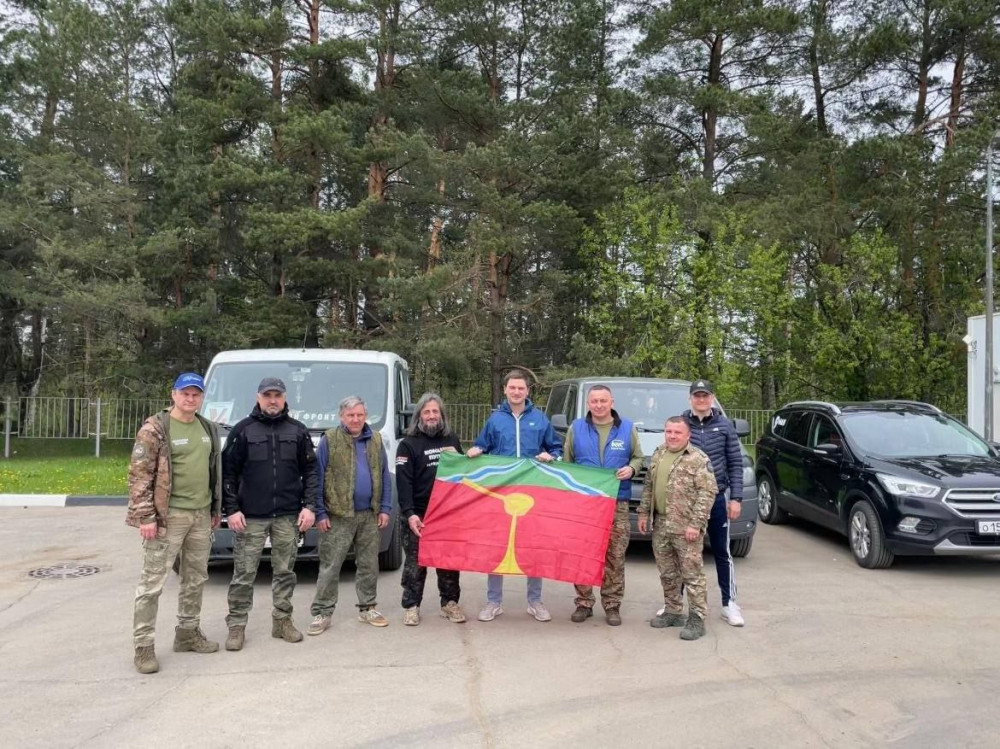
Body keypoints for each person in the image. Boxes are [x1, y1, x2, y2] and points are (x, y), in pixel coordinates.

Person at [126, 372, 222, 674]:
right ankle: (143, 647)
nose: (190, 398)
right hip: (168, 518)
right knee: (152, 584)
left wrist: (215, 508)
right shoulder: (156, 428)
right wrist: (146, 516)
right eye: (185, 393)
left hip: (201, 515)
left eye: (196, 394)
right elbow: (139, 474)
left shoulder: (207, 427)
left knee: (196, 578)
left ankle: (187, 633)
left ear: (202, 397)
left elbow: (213, 470)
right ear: (174, 394)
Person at [221, 377, 318, 651]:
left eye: (277, 395)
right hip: (250, 516)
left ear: (285, 398)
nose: (272, 400)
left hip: (288, 515)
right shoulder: (243, 430)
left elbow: (311, 471)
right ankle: (237, 625)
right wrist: (232, 509)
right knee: (243, 574)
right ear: (258, 397)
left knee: (285, 572)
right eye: (267, 396)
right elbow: (228, 473)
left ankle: (282, 621)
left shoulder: (297, 431)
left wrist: (309, 506)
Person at [466, 369, 562, 622]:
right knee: (496, 545)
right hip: (502, 492)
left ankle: (535, 601)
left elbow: (556, 448)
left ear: (527, 391)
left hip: (532, 492)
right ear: (505, 390)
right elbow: (482, 445)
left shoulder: (540, 419)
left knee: (533, 545)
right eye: (512, 388)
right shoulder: (495, 420)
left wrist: (552, 456)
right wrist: (476, 450)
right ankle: (494, 601)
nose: (516, 392)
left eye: (521, 388)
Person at [308, 396, 391, 633]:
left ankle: (367, 608)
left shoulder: (375, 439)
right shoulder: (330, 439)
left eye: (360, 415)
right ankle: (322, 613)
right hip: (337, 516)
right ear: (341, 416)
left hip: (369, 515)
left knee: (369, 565)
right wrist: (320, 513)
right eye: (351, 415)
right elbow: (318, 476)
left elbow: (384, 475)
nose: (355, 419)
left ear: (366, 416)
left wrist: (385, 508)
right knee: (330, 567)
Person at [563, 385, 643, 626]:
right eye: (594, 401)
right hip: (585, 504)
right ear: (588, 403)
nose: (598, 405)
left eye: (603, 401)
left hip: (616, 502)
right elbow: (568, 463)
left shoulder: (627, 428)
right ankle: (584, 603)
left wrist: (632, 469)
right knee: (583, 553)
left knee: (615, 556)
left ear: (612, 402)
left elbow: (638, 457)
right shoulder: (576, 428)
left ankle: (612, 605)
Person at [638, 416, 718, 641]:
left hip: (686, 527)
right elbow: (649, 485)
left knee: (692, 574)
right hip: (661, 523)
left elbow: (707, 493)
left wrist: (695, 524)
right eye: (669, 431)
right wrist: (643, 513)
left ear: (688, 435)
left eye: (677, 432)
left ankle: (697, 619)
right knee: (667, 572)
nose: (672, 436)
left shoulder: (698, 459)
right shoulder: (659, 453)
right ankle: (673, 611)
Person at [396, 393, 466, 626]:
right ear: (419, 416)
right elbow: (403, 483)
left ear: (442, 415)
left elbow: (463, 475)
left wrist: (465, 458)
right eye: (427, 412)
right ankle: (411, 606)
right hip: (418, 514)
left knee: (448, 562)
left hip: (446, 514)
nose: (432, 416)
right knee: (415, 564)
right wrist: (410, 514)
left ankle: (449, 603)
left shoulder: (452, 440)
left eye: (435, 411)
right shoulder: (407, 444)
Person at [684, 379, 746, 627]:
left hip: (717, 497)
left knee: (722, 551)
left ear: (712, 398)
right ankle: (674, 603)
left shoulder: (724, 425)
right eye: (697, 396)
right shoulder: (682, 423)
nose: (701, 400)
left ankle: (729, 604)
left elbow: (736, 463)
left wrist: (736, 498)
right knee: (684, 553)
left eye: (705, 396)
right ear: (690, 398)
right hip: (687, 500)